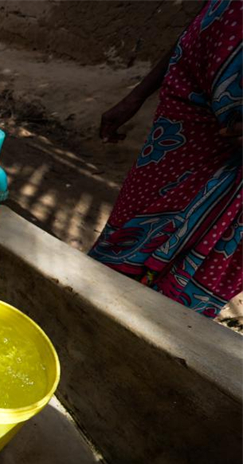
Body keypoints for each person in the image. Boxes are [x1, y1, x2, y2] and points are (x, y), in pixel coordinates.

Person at [90, 0, 241, 318]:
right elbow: (204, 16)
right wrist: (137, 95)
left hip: (230, 176)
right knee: (113, 261)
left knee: (172, 320)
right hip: (180, 132)